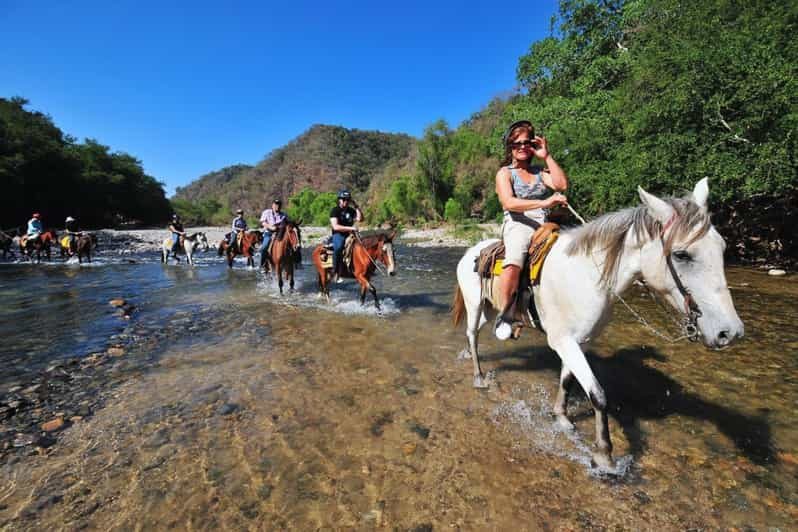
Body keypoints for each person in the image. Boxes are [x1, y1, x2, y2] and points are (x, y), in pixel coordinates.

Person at [494, 120, 569, 339]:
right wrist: (545, 203)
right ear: (510, 146)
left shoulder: (539, 171)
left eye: (527, 142)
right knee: (514, 261)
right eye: (516, 143)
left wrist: (546, 156)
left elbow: (561, 185)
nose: (522, 146)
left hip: (545, 221)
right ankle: (506, 313)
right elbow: (509, 203)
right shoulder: (504, 173)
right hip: (518, 222)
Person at [329, 190, 362, 282]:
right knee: (338, 247)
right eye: (344, 199)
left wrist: (356, 206)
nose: (346, 201)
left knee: (363, 245)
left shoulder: (351, 211)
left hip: (350, 234)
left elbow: (360, 218)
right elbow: (335, 226)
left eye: (347, 200)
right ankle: (336, 271)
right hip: (339, 234)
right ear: (339, 200)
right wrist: (351, 229)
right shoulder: (335, 210)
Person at [259, 199, 287, 268]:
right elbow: (263, 222)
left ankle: (296, 262)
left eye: (278, 205)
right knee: (264, 248)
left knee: (292, 245)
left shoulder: (284, 215)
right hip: (269, 233)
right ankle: (263, 264)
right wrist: (270, 227)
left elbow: (288, 224)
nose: (277, 206)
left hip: (280, 234)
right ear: (272, 205)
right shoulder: (267, 212)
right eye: (275, 204)